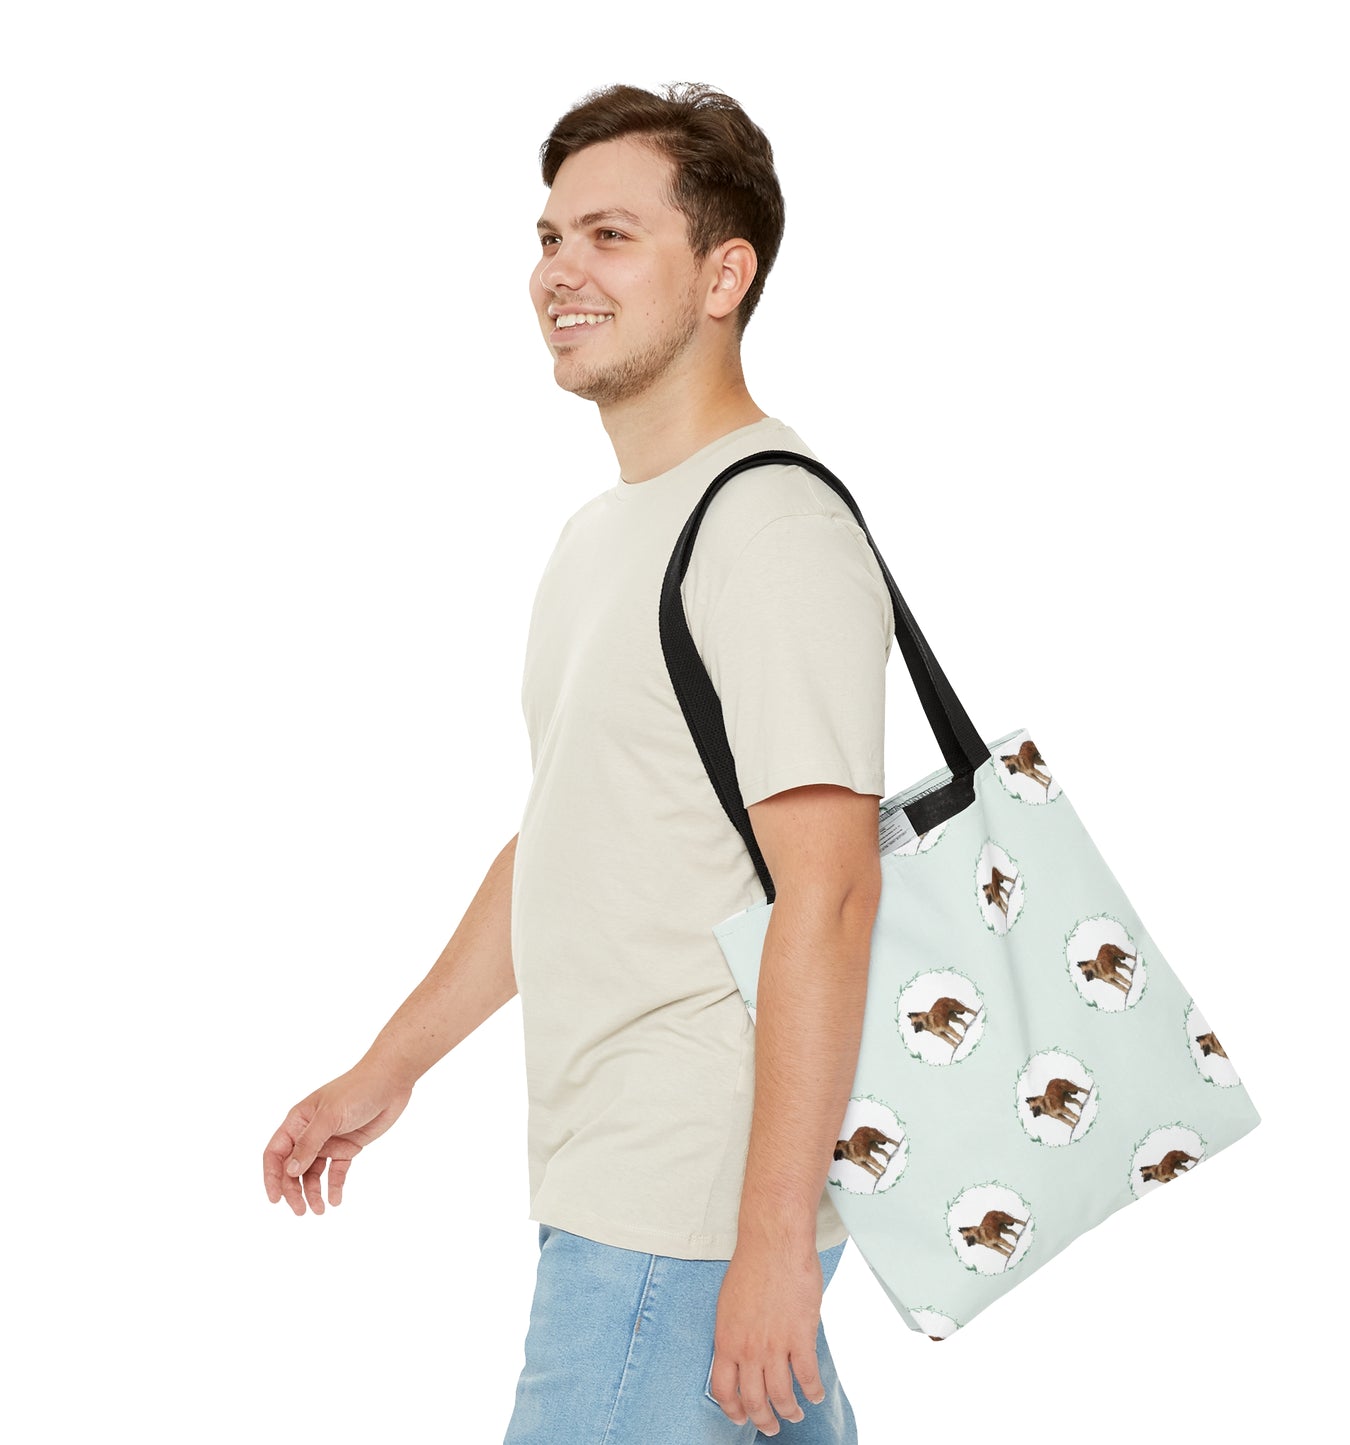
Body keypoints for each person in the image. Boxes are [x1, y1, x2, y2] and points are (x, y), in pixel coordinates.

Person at [262, 81, 894, 1443]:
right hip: (624, 1188)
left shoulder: (768, 526)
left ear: (723, 275)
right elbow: (567, 840)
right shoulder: (604, 536)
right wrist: (387, 1069)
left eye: (611, 235)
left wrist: (771, 1245)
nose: (560, 270)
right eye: (550, 237)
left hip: (679, 1213)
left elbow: (833, 891)